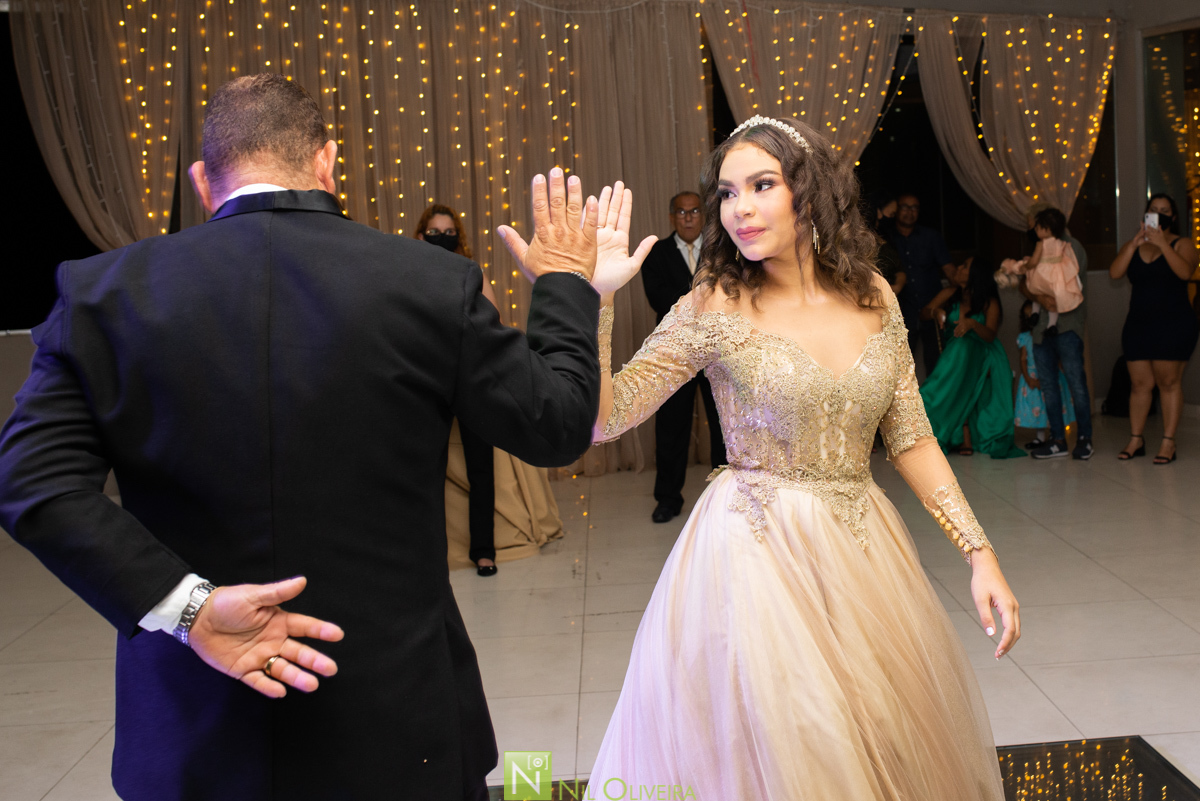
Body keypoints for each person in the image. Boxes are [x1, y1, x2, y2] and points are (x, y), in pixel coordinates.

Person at [0, 74, 617, 801]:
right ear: (327, 161)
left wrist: (189, 606)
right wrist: (566, 283)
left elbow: (33, 483)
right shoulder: (427, 281)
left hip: (197, 730)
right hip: (397, 721)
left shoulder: (103, 293)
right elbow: (557, 423)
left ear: (204, 180)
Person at [582, 116, 1018, 799]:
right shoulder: (712, 303)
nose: (739, 208)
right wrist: (597, 300)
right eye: (727, 193)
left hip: (862, 555)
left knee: (875, 736)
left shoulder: (875, 295)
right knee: (791, 746)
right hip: (753, 558)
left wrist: (978, 550)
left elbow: (911, 437)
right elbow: (604, 419)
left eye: (761, 185)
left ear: (810, 195)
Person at [415, 203, 499, 575]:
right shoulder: (408, 270)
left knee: (482, 467)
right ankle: (430, 554)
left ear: (459, 238)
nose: (442, 239)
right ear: (421, 235)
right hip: (427, 379)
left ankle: (484, 550)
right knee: (424, 467)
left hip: (470, 378)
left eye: (449, 233)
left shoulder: (471, 273)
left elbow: (495, 321)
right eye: (435, 232)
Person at [638, 190, 726, 522]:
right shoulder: (657, 253)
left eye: (694, 211)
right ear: (672, 217)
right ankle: (668, 499)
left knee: (723, 423)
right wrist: (702, 304)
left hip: (717, 349)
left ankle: (724, 495)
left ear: (703, 215)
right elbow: (658, 298)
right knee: (672, 427)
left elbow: (730, 291)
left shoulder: (721, 249)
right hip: (676, 353)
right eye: (681, 212)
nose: (688, 217)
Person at [1109, 193, 1200, 464]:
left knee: (1168, 382)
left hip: (1173, 324)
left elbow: (1185, 273)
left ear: (1172, 217)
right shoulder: (1135, 245)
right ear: (1146, 213)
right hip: (1138, 324)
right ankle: (1136, 439)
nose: (1158, 213)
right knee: (1139, 384)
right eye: (1153, 209)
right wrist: (1133, 245)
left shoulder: (1184, 244)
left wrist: (1163, 244)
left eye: (1164, 210)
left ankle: (1168, 443)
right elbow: (1115, 273)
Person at [919, 256, 1025, 459]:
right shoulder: (949, 293)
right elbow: (923, 313)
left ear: (975, 273)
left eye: (965, 266)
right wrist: (935, 311)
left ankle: (934, 401)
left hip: (984, 351)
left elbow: (990, 335)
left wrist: (973, 325)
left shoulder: (989, 302)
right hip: (956, 353)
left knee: (964, 345)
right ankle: (944, 422)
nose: (958, 267)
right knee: (960, 346)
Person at [1021, 203, 1094, 461]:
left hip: (1068, 328)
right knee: (1049, 387)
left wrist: (1052, 297)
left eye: (1035, 224)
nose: (1032, 229)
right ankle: (1057, 440)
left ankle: (1085, 437)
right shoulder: (1038, 246)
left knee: (1076, 384)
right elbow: (1027, 282)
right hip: (1041, 331)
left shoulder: (1071, 247)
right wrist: (1039, 294)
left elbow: (1071, 284)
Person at [890, 192, 955, 378]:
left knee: (936, 365)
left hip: (931, 310)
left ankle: (936, 406)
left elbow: (950, 271)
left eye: (914, 208)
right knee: (900, 368)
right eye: (905, 207)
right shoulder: (887, 239)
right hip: (902, 312)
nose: (909, 212)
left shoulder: (931, 237)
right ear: (896, 210)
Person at [1000, 208, 1083, 336]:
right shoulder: (1062, 244)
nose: (1034, 230)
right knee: (1053, 300)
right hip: (1057, 277)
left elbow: (1034, 262)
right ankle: (1052, 325)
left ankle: (1034, 313)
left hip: (1043, 274)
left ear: (1047, 229)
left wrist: (1025, 266)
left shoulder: (1041, 244)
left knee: (1036, 289)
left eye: (1037, 227)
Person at [1014, 300, 1076, 449]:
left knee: (1052, 405)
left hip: (1050, 375)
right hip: (1033, 377)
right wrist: (1029, 379)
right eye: (1027, 316)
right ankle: (1040, 437)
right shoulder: (1025, 338)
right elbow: (1023, 359)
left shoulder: (1049, 336)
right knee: (1037, 407)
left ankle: (1055, 435)